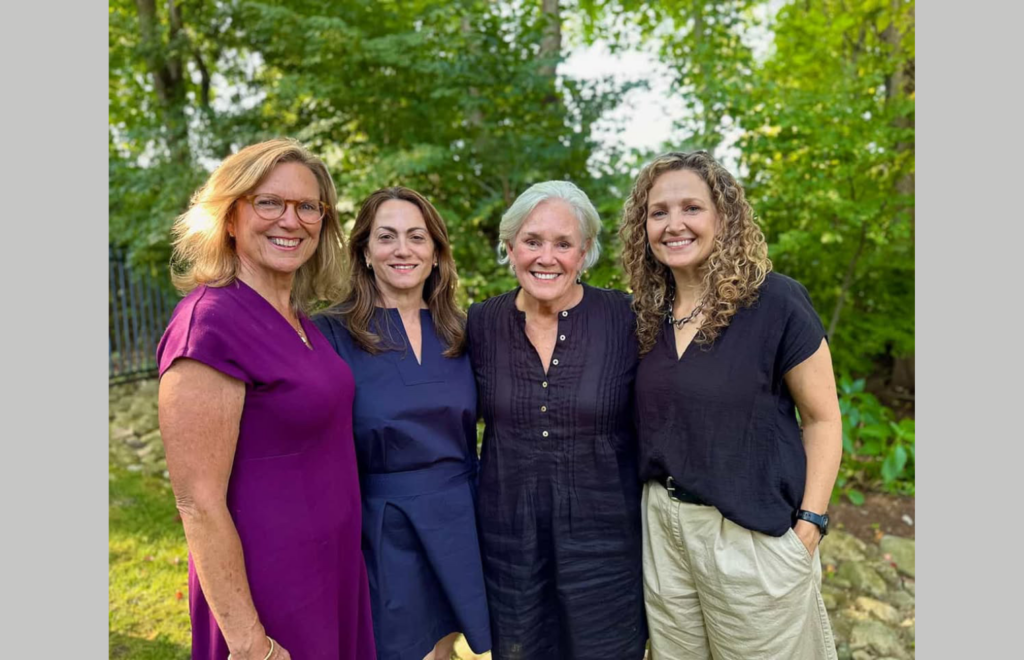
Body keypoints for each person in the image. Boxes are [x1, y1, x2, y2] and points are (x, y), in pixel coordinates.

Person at [156, 138, 376, 660]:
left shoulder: (300, 320)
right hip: (269, 592)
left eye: (307, 207)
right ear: (230, 217)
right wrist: (251, 644)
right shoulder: (209, 324)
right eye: (269, 202)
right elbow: (197, 502)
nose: (291, 220)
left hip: (333, 575)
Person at [619, 150, 842, 659]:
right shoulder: (645, 317)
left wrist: (811, 524)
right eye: (658, 212)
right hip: (664, 530)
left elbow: (823, 418)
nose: (673, 224)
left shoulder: (776, 303)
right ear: (643, 227)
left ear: (724, 217)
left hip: (750, 537)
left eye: (691, 208)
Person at [466, 181, 647, 660]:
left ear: (585, 252)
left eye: (563, 244)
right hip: (510, 553)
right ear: (510, 248)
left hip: (607, 554)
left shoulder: (627, 320)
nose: (547, 257)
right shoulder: (479, 324)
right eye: (532, 241)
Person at [314, 187, 491, 660]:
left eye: (417, 237)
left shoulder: (463, 330)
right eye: (386, 237)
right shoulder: (330, 333)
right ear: (366, 252)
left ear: (436, 253)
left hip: (461, 513)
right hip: (382, 521)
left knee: (445, 646)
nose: (402, 249)